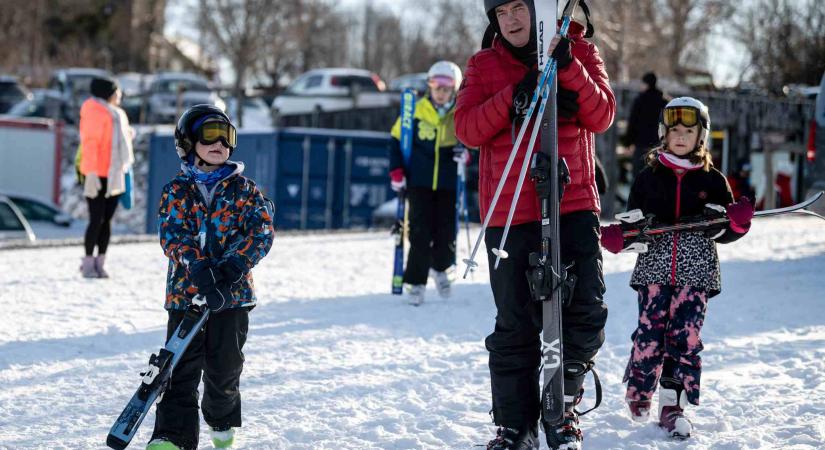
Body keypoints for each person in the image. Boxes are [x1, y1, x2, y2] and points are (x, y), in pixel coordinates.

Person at [455, 1, 613, 448]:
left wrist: (568, 71)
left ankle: (561, 408)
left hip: (573, 203)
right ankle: (514, 426)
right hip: (510, 212)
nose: (511, 20)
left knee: (585, 311)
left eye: (519, 7)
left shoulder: (581, 51)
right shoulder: (484, 64)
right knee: (516, 324)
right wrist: (511, 98)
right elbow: (466, 128)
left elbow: (602, 115)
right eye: (501, 13)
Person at [600, 97, 754, 439]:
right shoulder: (648, 178)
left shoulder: (713, 180)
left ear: (701, 136)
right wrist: (618, 238)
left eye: (689, 130)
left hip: (696, 270)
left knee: (684, 337)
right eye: (675, 131)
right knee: (650, 334)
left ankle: (673, 404)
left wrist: (738, 224)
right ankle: (640, 389)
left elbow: (725, 229)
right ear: (663, 134)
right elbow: (632, 226)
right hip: (654, 269)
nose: (681, 137)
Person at [147, 104, 274, 450]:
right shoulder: (177, 190)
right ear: (188, 142)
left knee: (224, 369)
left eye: (226, 136)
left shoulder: (246, 191)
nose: (219, 143)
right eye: (209, 135)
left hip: (232, 298)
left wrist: (232, 268)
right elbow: (172, 235)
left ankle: (223, 424)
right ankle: (172, 437)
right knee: (179, 370)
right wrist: (199, 269)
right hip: (186, 295)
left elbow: (261, 232)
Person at [389, 60, 470, 306]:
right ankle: (415, 282)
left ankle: (442, 268)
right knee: (419, 233)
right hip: (419, 182)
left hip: (447, 184)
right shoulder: (415, 111)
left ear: (454, 90)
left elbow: (472, 141)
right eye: (437, 87)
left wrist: (465, 155)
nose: (441, 93)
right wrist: (396, 171)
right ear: (430, 86)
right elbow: (395, 141)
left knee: (446, 231)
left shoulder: (460, 113)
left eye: (447, 89)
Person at [77, 76, 134, 278]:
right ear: (107, 93)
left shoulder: (117, 114)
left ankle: (101, 262)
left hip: (114, 172)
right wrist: (90, 172)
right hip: (97, 173)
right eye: (116, 92)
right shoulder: (94, 111)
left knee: (107, 220)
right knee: (96, 219)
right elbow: (90, 143)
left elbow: (120, 140)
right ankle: (88, 263)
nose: (119, 96)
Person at [622, 72, 669, 178]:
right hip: (658, 144)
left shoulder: (640, 100)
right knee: (655, 176)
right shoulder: (664, 102)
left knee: (638, 176)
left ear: (646, 84)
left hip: (641, 144)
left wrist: (628, 142)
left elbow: (633, 122)